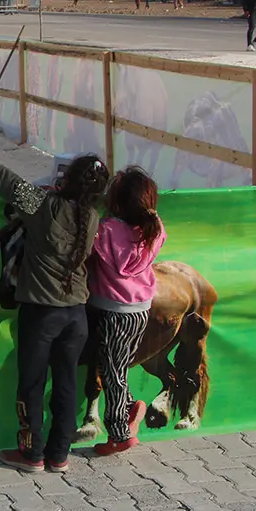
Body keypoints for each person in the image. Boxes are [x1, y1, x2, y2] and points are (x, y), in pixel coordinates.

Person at [0, 145, 110, 474]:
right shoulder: (93, 217)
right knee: (67, 383)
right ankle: (59, 455)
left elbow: (10, 183)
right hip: (77, 315)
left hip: (42, 313)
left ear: (66, 178)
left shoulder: (45, 207)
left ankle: (33, 455)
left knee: (31, 384)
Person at [88, 167, 167, 456]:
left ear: (117, 202)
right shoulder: (153, 228)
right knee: (118, 367)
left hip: (112, 311)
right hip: (140, 310)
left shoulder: (106, 230)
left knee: (113, 372)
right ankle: (130, 405)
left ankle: (120, 434)